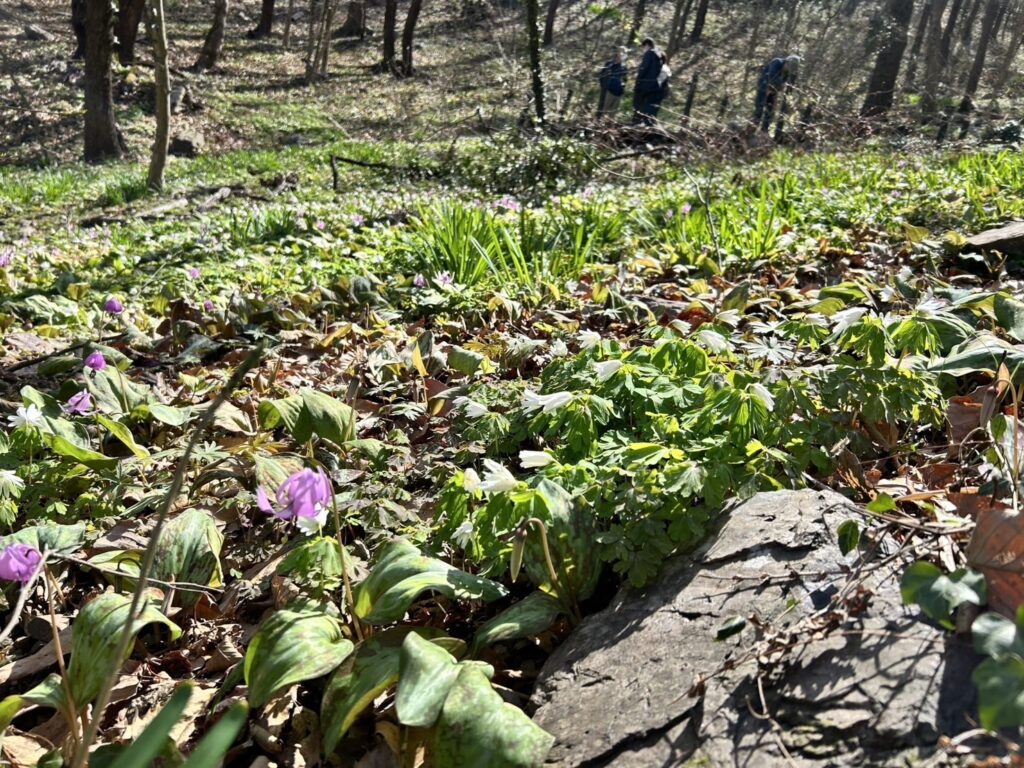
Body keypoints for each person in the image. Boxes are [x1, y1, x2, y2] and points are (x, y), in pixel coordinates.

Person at [754, 54, 800, 132]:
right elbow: (771, 76)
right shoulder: (777, 62)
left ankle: (764, 130)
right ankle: (753, 128)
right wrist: (771, 88)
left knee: (770, 111)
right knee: (759, 108)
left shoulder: (789, 72)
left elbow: (788, 85)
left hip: (774, 90)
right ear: (786, 62)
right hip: (763, 86)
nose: (788, 69)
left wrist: (779, 90)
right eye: (788, 66)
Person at [632, 37, 661, 125]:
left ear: (647, 45)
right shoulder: (658, 55)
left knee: (637, 105)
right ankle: (644, 123)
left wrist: (638, 80)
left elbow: (643, 68)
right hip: (653, 87)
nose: (643, 49)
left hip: (643, 85)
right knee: (646, 107)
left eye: (643, 47)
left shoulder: (649, 54)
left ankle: (636, 122)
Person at [598, 48, 628, 119]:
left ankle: (609, 125)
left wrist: (622, 86)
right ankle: (599, 123)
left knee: (612, 114)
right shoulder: (609, 64)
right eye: (620, 54)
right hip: (609, 91)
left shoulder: (624, 67)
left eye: (623, 55)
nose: (621, 56)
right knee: (604, 111)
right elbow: (602, 76)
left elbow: (625, 79)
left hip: (619, 93)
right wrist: (604, 87)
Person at [648, 53, 672, 120]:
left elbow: (659, 81)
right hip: (656, 91)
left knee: (652, 108)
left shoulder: (663, 68)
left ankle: (649, 122)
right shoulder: (661, 67)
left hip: (658, 92)